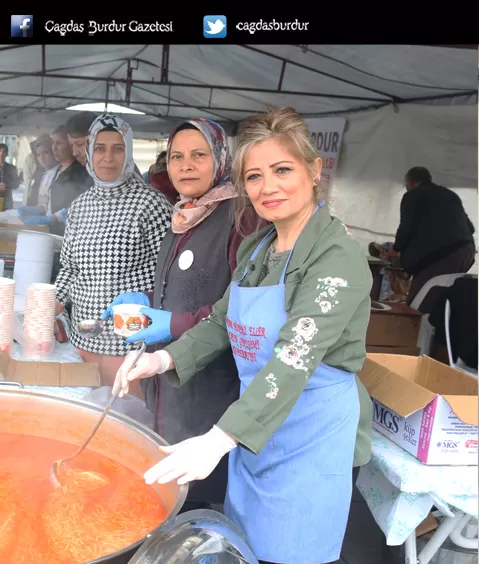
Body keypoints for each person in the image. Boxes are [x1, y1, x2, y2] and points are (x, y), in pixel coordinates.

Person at [115, 107, 373, 564]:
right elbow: (220, 320)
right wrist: (161, 360)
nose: (267, 187)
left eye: (281, 170)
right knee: (245, 546)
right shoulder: (258, 247)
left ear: (314, 170)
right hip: (254, 431)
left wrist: (218, 439)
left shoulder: (338, 257)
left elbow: (293, 360)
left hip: (309, 438)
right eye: (253, 176)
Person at [103, 119, 264, 513]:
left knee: (199, 501)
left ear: (221, 159)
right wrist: (148, 300)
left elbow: (243, 312)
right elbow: (184, 286)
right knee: (165, 489)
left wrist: (171, 323)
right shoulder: (186, 214)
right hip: (169, 385)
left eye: (198, 155)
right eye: (177, 157)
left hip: (211, 388)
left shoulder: (240, 219)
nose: (186, 166)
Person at [55, 113, 172, 390]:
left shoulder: (151, 204)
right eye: (100, 148)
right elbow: (70, 268)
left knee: (126, 419)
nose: (108, 157)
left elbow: (169, 272)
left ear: (129, 152)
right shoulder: (80, 206)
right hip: (84, 337)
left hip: (131, 343)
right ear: (89, 152)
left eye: (118, 148)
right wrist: (51, 306)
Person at [394, 166, 475, 310]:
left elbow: (406, 228)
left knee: (416, 305)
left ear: (411, 182)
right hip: (467, 252)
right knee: (441, 301)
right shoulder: (449, 194)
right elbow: (471, 228)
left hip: (442, 256)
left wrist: (396, 249)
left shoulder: (413, 196)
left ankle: (411, 331)